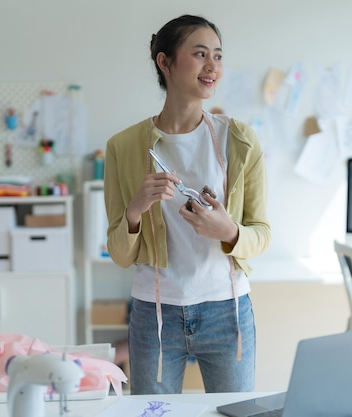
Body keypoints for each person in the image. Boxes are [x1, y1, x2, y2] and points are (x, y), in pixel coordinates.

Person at [103, 14, 270, 394]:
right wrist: (135, 210)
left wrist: (226, 230)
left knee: (234, 412)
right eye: (199, 54)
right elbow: (119, 253)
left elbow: (262, 232)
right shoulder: (124, 147)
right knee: (152, 413)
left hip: (227, 311)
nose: (213, 66)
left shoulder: (240, 141)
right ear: (165, 62)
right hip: (154, 315)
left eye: (218, 56)